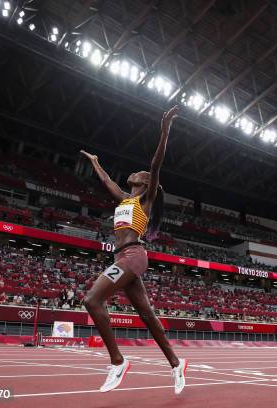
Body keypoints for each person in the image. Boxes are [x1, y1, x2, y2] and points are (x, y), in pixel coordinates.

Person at [80, 106, 187, 394]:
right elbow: (107, 182)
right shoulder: (125, 200)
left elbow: (156, 164)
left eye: (142, 173)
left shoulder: (146, 201)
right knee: (147, 315)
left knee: (92, 300)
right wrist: (96, 162)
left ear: (147, 183)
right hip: (122, 257)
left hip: (133, 255)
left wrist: (165, 130)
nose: (137, 172)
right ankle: (177, 364)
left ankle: (117, 361)